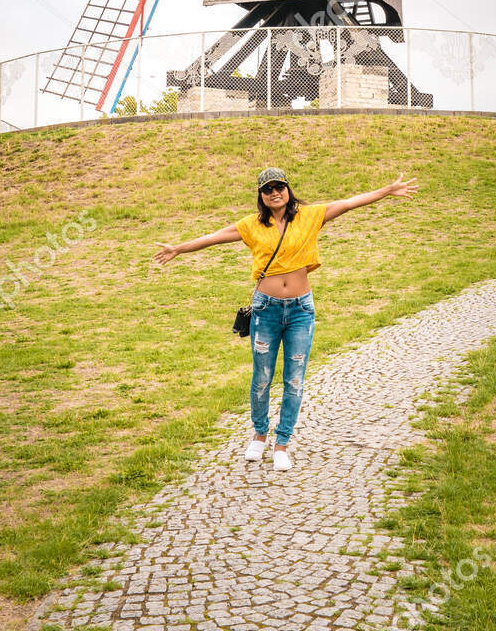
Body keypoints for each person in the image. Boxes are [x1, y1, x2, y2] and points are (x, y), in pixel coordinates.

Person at [153, 166, 418, 471]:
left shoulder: (309, 216)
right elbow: (213, 238)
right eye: (268, 189)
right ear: (261, 196)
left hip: (300, 311)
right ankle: (259, 434)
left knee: (294, 378)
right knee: (262, 377)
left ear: (288, 189)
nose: (275, 193)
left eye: (280, 187)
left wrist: (386, 191)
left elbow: (348, 202)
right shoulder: (251, 226)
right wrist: (177, 249)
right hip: (265, 310)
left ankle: (282, 443)